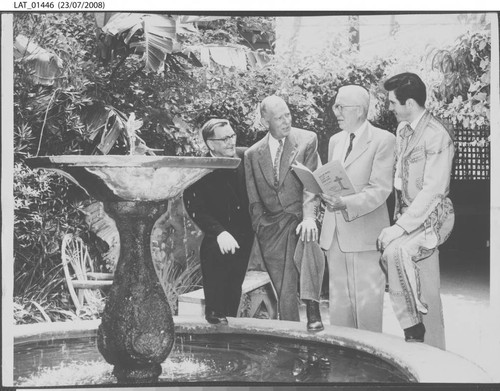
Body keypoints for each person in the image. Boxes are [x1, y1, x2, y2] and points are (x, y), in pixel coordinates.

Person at [377, 73, 455, 349]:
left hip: (433, 217)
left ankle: (428, 346)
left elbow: (433, 191)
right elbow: (400, 179)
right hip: (409, 217)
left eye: (392, 103)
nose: (389, 108)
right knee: (392, 256)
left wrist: (399, 228)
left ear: (409, 103)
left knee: (424, 286)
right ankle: (413, 329)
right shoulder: (403, 130)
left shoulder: (437, 136)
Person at [318, 85, 395, 332]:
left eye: (341, 107)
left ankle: (369, 366)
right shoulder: (335, 140)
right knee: (340, 310)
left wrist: (345, 203)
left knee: (367, 310)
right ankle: (344, 363)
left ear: (360, 111)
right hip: (335, 236)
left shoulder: (383, 140)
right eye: (335, 106)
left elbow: (380, 189)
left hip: (365, 237)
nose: (335, 112)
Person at [244, 95, 323, 329]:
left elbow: (312, 185)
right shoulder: (252, 154)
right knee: (283, 288)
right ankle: (291, 332)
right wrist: (260, 226)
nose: (286, 121)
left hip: (300, 217)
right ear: (264, 121)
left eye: (287, 114)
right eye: (279, 118)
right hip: (271, 226)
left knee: (309, 243)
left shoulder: (307, 140)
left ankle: (312, 307)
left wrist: (309, 218)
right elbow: (253, 197)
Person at [183, 119, 254, 325]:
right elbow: (195, 208)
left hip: (245, 236)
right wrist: (220, 232)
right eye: (224, 139)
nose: (231, 142)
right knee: (216, 305)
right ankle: (215, 334)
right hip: (217, 238)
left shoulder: (246, 156)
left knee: (234, 291)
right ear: (211, 144)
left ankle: (230, 343)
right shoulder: (200, 168)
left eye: (232, 136)